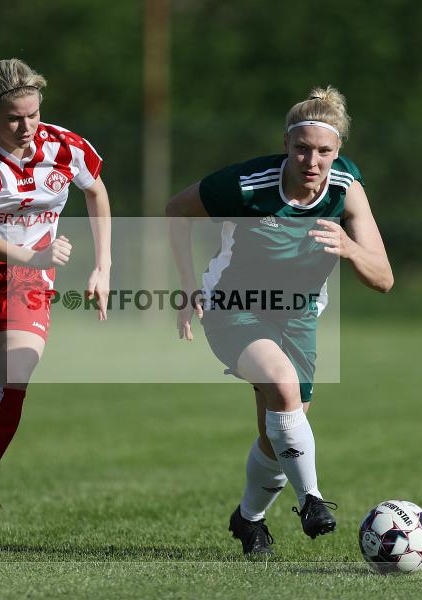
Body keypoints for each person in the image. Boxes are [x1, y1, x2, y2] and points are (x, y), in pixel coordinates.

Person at [167, 87, 393, 558]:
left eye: (324, 151)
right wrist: (188, 286)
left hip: (300, 314)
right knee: (283, 386)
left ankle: (248, 522)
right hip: (234, 305)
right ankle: (311, 500)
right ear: (287, 145)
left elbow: (384, 278)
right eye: (302, 148)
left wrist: (350, 249)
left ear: (338, 151)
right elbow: (176, 210)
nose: (312, 160)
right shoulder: (248, 184)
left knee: (281, 431)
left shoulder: (346, 189)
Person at [0, 58, 111, 537]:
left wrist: (102, 267)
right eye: (14, 117)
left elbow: (96, 191)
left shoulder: (63, 145)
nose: (27, 127)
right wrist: (34, 256)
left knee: (15, 378)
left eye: (33, 114)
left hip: (27, 282)